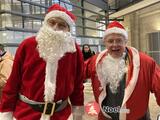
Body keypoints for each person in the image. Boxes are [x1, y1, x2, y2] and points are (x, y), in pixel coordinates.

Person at [0, 4, 84, 120]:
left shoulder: (74, 51)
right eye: (52, 22)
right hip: (27, 114)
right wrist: (6, 113)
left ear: (68, 30)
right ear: (45, 23)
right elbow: (13, 83)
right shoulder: (27, 45)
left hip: (61, 116)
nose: (55, 28)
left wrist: (77, 114)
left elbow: (78, 85)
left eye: (62, 25)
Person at [84, 21, 160, 120]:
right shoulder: (95, 61)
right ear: (105, 43)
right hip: (106, 117)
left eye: (119, 40)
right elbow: (75, 74)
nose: (114, 45)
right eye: (110, 41)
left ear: (125, 41)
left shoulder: (146, 62)